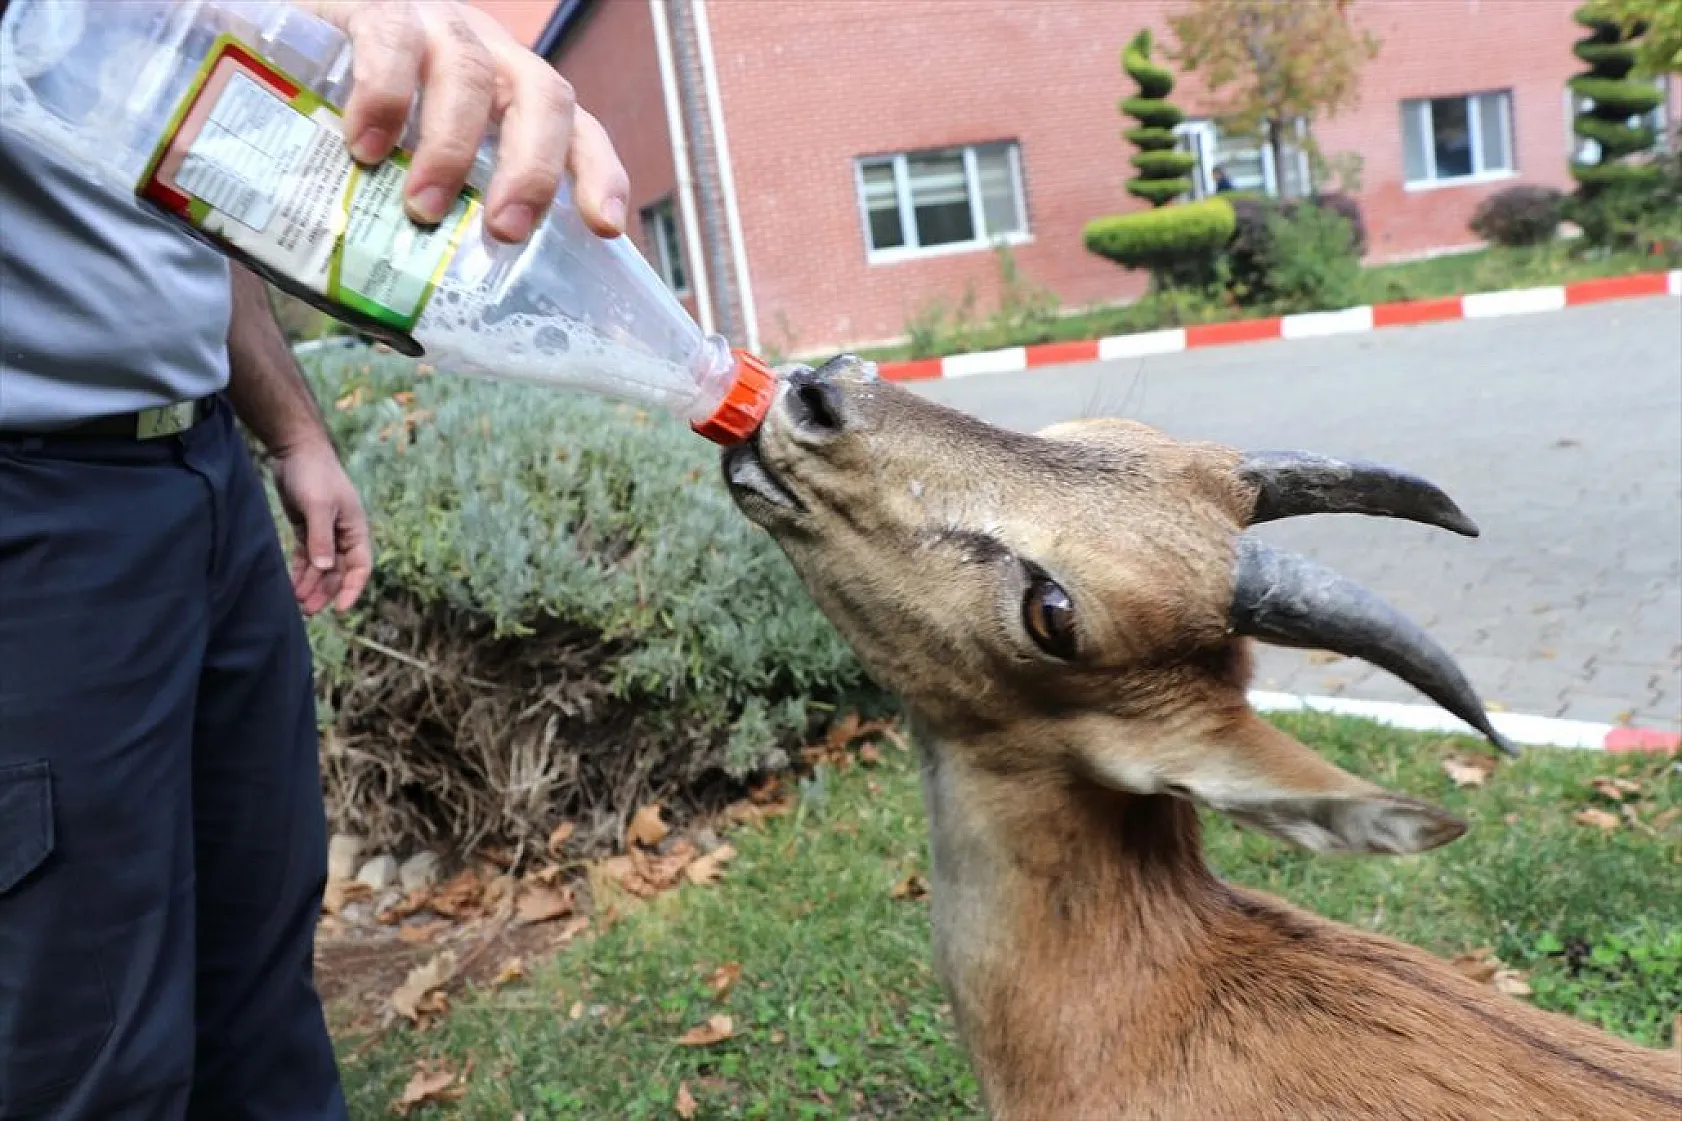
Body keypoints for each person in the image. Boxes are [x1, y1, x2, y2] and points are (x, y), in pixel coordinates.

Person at [0, 3, 629, 1117]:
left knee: (259, 975)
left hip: (197, 472)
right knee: (80, 1032)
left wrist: (291, 433)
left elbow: (183, 179)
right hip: (35, 515)